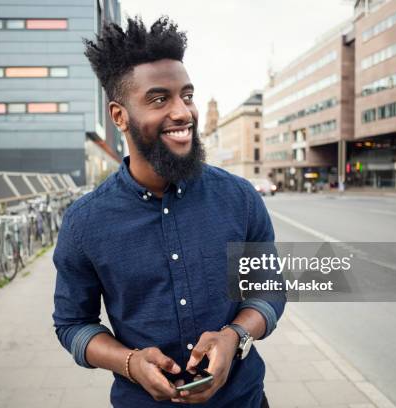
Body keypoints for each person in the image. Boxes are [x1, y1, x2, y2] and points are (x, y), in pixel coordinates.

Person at [52, 16, 285, 407]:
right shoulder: (84, 223)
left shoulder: (240, 198)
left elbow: (268, 288)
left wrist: (234, 336)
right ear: (119, 115)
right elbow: (73, 325)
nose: (183, 113)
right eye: (160, 99)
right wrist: (128, 361)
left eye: (187, 96)